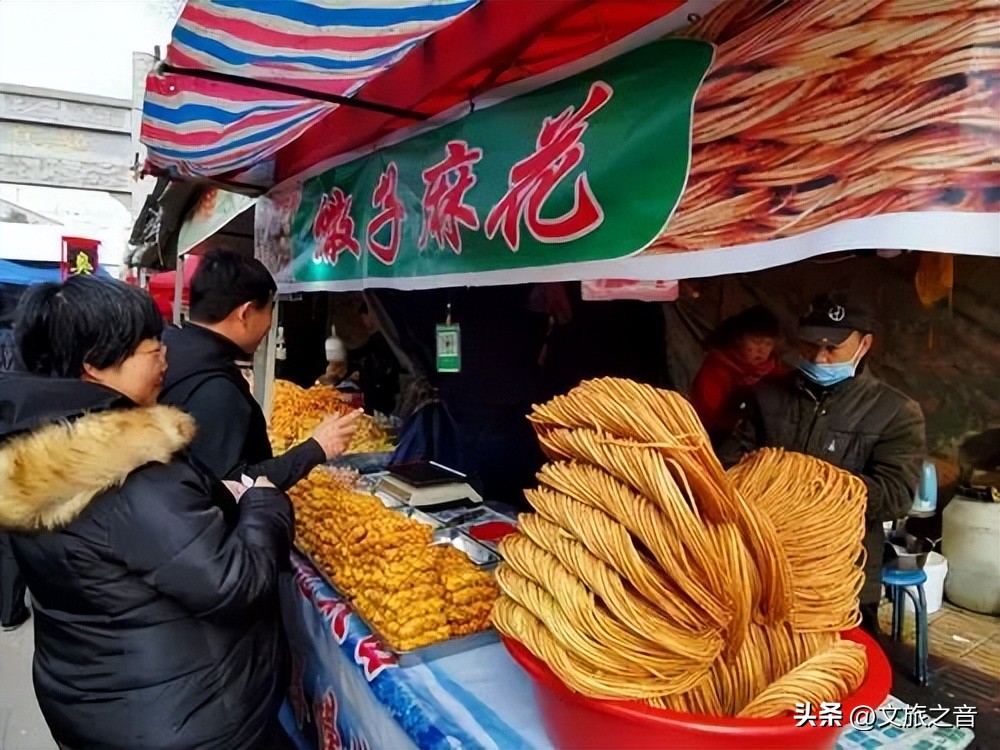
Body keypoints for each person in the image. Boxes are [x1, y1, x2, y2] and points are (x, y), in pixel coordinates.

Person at [0, 276, 294, 749]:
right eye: (148, 345)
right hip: (185, 721)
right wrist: (264, 503)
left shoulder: (34, 448)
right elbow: (234, 584)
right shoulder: (129, 475)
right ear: (94, 364)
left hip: (94, 697)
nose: (164, 354)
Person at [721, 293, 926, 635]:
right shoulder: (767, 395)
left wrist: (803, 483)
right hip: (757, 569)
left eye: (833, 348)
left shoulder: (895, 412)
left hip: (839, 580)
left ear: (865, 344)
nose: (819, 357)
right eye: (810, 345)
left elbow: (894, 495)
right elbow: (728, 466)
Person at [159, 249, 361, 491]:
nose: (269, 325)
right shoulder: (216, 388)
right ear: (246, 313)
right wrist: (317, 447)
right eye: (269, 310)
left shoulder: (167, 351)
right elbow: (231, 486)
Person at [689, 305, 784, 447]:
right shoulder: (715, 372)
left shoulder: (776, 376)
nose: (762, 349)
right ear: (738, 339)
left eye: (768, 343)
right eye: (756, 342)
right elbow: (704, 421)